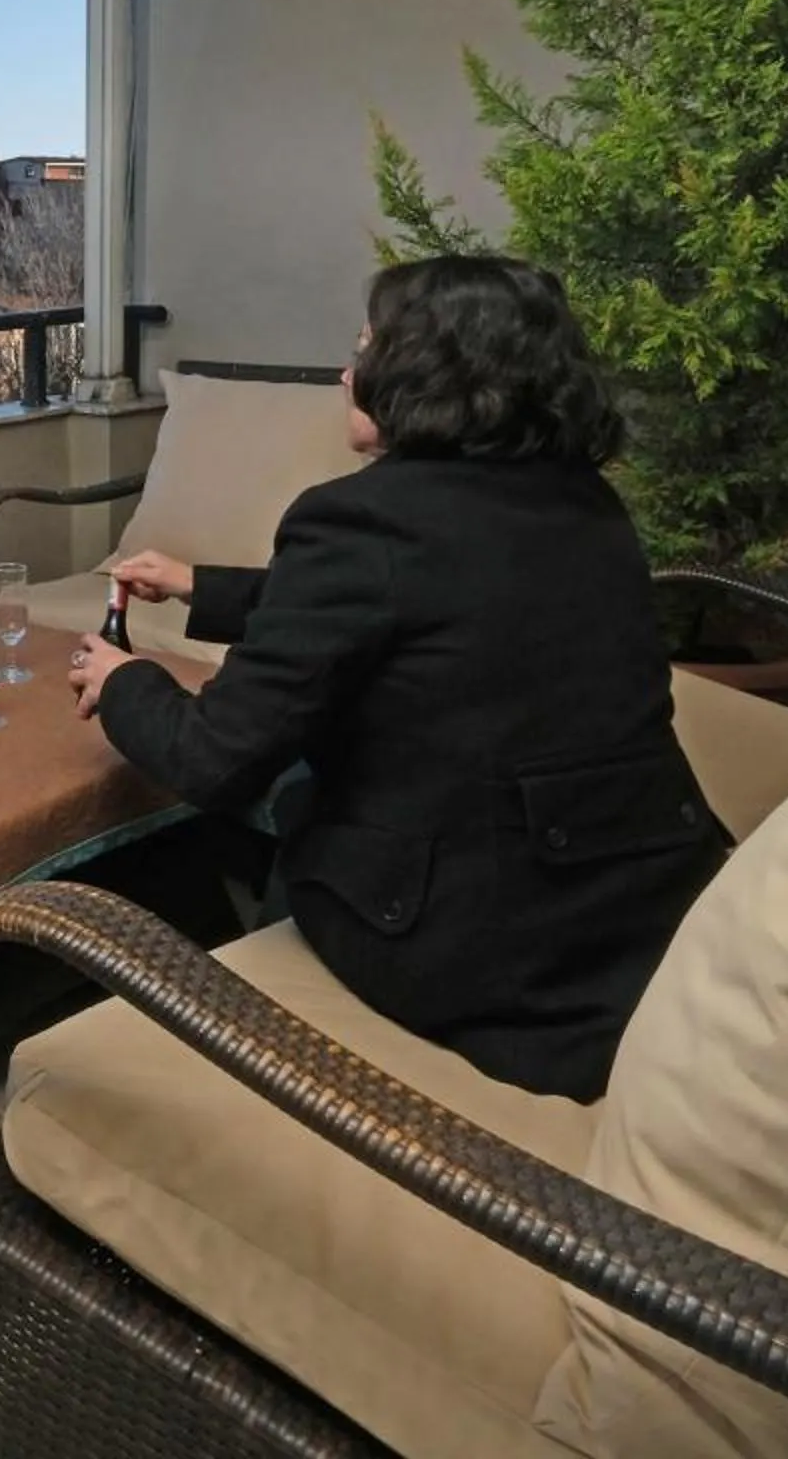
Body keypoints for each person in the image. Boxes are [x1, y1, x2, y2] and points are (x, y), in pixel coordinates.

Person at [66, 255, 724, 1101]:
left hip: (473, 952)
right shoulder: (577, 500)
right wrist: (202, 585)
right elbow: (419, 608)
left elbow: (214, 760)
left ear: (424, 372)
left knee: (295, 778)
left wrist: (122, 679)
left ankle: (225, 966)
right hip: (626, 909)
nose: (348, 371)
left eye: (368, 345)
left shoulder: (362, 518)